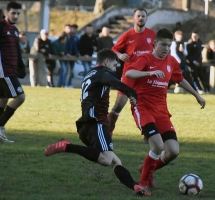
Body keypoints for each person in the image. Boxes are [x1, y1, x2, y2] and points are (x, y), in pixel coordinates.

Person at [44, 48, 150, 196]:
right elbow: (113, 81)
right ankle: (66, 147)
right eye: (114, 66)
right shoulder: (102, 73)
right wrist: (132, 92)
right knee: (107, 160)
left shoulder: (90, 73)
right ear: (106, 62)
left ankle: (136, 187)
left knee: (115, 161)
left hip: (86, 124)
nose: (114, 69)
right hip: (96, 123)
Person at [125, 28, 206, 195]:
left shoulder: (171, 61)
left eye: (169, 46)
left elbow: (180, 79)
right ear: (155, 44)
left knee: (173, 151)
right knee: (157, 145)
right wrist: (149, 72)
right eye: (163, 45)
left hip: (161, 111)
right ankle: (143, 184)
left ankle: (147, 169)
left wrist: (197, 95)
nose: (166, 49)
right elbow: (130, 72)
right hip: (143, 107)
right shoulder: (145, 58)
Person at [107, 8, 156, 136]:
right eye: (138, 16)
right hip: (129, 75)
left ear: (146, 18)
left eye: (143, 16)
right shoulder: (127, 35)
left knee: (146, 107)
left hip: (145, 77)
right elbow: (113, 50)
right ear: (134, 18)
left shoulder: (152, 35)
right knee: (119, 105)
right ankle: (108, 130)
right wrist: (120, 55)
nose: (141, 18)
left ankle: (149, 133)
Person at [0, 1, 26, 143]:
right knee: (20, 97)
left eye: (18, 13)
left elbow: (17, 50)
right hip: (4, 71)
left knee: (2, 102)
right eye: (13, 13)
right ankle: (0, 124)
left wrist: (21, 67)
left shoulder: (14, 30)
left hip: (12, 70)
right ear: (6, 13)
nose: (15, 16)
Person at [64, 24, 79, 88]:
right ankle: (63, 84)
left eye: (70, 28)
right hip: (64, 56)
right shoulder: (63, 36)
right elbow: (63, 46)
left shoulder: (73, 37)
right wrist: (66, 53)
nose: (69, 30)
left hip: (72, 56)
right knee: (65, 71)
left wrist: (77, 53)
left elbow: (74, 46)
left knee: (71, 71)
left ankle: (69, 84)